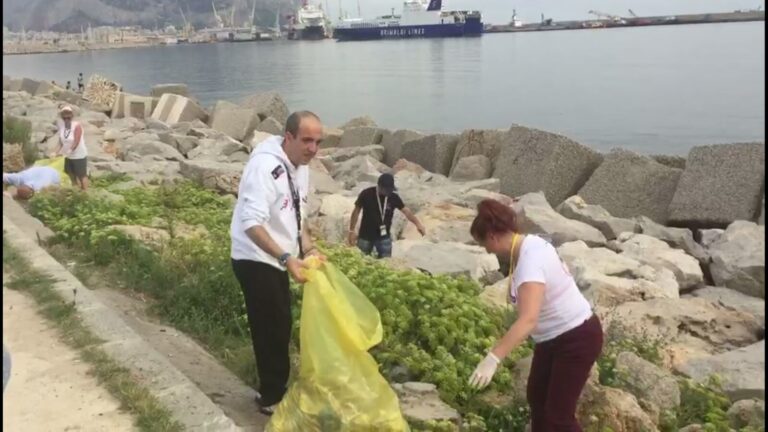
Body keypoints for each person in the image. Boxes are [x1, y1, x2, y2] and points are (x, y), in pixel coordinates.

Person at [467, 199, 603, 431]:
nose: (487, 250)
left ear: (492, 236)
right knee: (537, 400)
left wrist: (493, 359)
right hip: (551, 339)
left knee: (558, 417)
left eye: (484, 245)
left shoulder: (530, 262)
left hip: (575, 337)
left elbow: (528, 320)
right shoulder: (531, 243)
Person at [230, 111, 325, 416]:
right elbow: (250, 222)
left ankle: (275, 390)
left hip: (281, 258)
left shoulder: (301, 166)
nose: (313, 148)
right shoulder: (265, 167)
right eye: (306, 140)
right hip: (255, 257)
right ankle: (271, 398)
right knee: (271, 327)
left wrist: (307, 248)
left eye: (318, 142)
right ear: (289, 137)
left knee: (280, 325)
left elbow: (297, 215)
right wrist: (286, 257)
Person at [347, 173, 426, 258]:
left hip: (384, 237)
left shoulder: (393, 197)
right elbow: (356, 211)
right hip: (366, 235)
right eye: (386, 190)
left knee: (386, 262)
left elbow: (406, 211)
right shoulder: (366, 194)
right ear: (379, 186)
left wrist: (418, 224)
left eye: (390, 189)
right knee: (361, 260)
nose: (389, 192)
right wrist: (351, 231)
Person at [51, 105, 88, 191]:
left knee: (81, 175)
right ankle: (75, 190)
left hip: (79, 155)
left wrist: (70, 150)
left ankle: (85, 191)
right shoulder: (62, 127)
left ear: (72, 116)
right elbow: (60, 143)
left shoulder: (77, 126)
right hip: (67, 156)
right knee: (70, 174)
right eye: (64, 117)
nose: (66, 118)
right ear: (62, 117)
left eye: (68, 116)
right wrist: (55, 152)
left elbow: (76, 141)